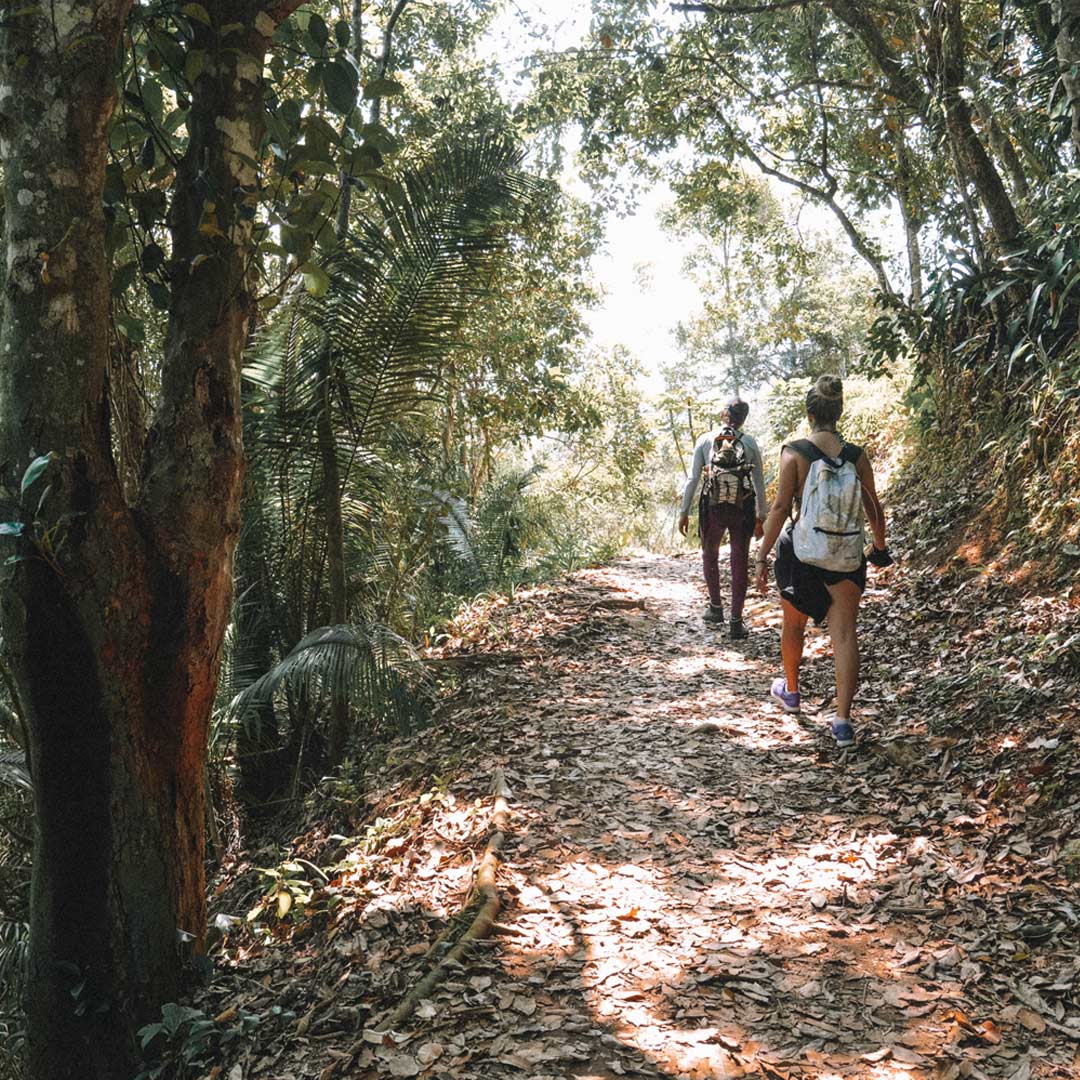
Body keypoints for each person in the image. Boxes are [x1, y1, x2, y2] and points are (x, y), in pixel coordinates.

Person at [754, 374, 887, 747]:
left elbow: (780, 508)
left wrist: (762, 556)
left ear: (808, 414)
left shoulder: (794, 452)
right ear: (839, 413)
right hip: (846, 556)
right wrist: (878, 546)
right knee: (844, 635)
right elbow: (873, 506)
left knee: (793, 625)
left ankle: (792, 692)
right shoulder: (857, 457)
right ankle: (843, 721)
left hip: (803, 556)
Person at [678, 397, 767, 639]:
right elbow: (758, 482)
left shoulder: (706, 440)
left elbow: (693, 479)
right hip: (742, 507)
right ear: (743, 419)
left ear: (724, 414)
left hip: (713, 506)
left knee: (710, 554)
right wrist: (761, 516)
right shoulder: (749, 443)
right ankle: (736, 622)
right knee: (739, 561)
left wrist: (684, 512)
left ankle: (716, 608)